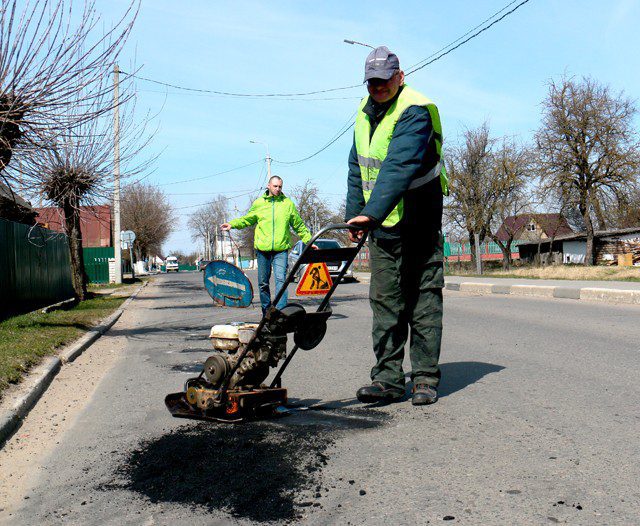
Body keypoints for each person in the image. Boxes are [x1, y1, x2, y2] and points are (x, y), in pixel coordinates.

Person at [345, 46, 448, 406]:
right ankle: (387, 379)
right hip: (384, 226)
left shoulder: (415, 110)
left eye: (384, 81)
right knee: (385, 303)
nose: (378, 88)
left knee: (422, 301)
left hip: (419, 223)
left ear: (400, 77)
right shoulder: (363, 113)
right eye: (372, 83)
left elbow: (399, 165)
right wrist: (355, 215)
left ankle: (424, 379)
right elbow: (357, 167)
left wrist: (370, 213)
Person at [221, 176, 313, 313]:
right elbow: (247, 219)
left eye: (280, 186)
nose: (278, 189)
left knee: (281, 281)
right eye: (275, 186)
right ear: (268, 186)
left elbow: (298, 225)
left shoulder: (287, 204)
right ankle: (266, 312)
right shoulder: (259, 203)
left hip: (281, 250)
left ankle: (281, 313)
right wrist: (232, 224)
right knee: (263, 283)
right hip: (263, 251)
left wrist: (309, 241)